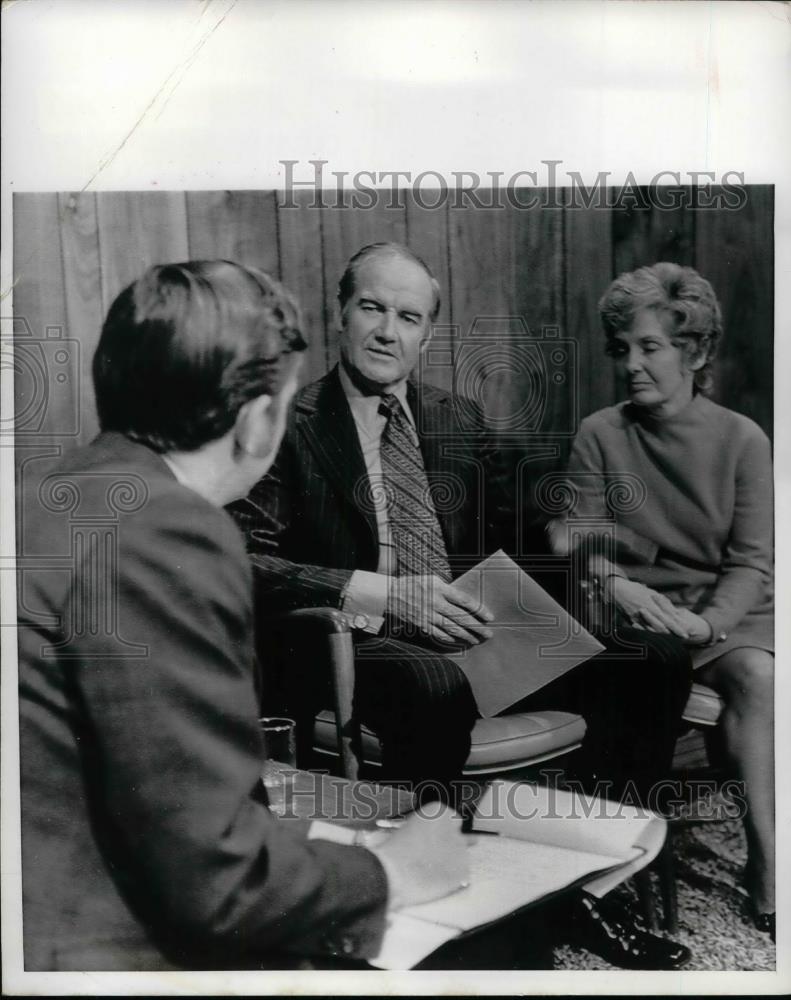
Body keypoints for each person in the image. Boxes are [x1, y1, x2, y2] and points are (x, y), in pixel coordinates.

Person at [231, 243, 693, 969]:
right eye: (372, 308)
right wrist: (380, 591)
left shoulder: (454, 417)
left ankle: (583, 887)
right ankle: (451, 925)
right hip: (353, 642)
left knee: (652, 660)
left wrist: (606, 578)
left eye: (408, 317)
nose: (388, 331)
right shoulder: (284, 422)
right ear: (340, 313)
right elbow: (243, 559)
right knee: (433, 681)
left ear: (426, 333)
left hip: (467, 626)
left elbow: (533, 527)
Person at [16, 260, 469, 971]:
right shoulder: (169, 532)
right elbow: (221, 886)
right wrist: (393, 872)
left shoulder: (48, 492)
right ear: (259, 420)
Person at [551, 262, 774, 941]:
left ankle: (767, 862)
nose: (630, 365)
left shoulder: (741, 440)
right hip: (634, 617)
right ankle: (619, 862)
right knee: (640, 668)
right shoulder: (599, 433)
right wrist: (620, 586)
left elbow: (750, 563)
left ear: (695, 352)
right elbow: (575, 541)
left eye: (649, 347)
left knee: (759, 678)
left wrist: (705, 623)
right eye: (621, 349)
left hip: (722, 615)